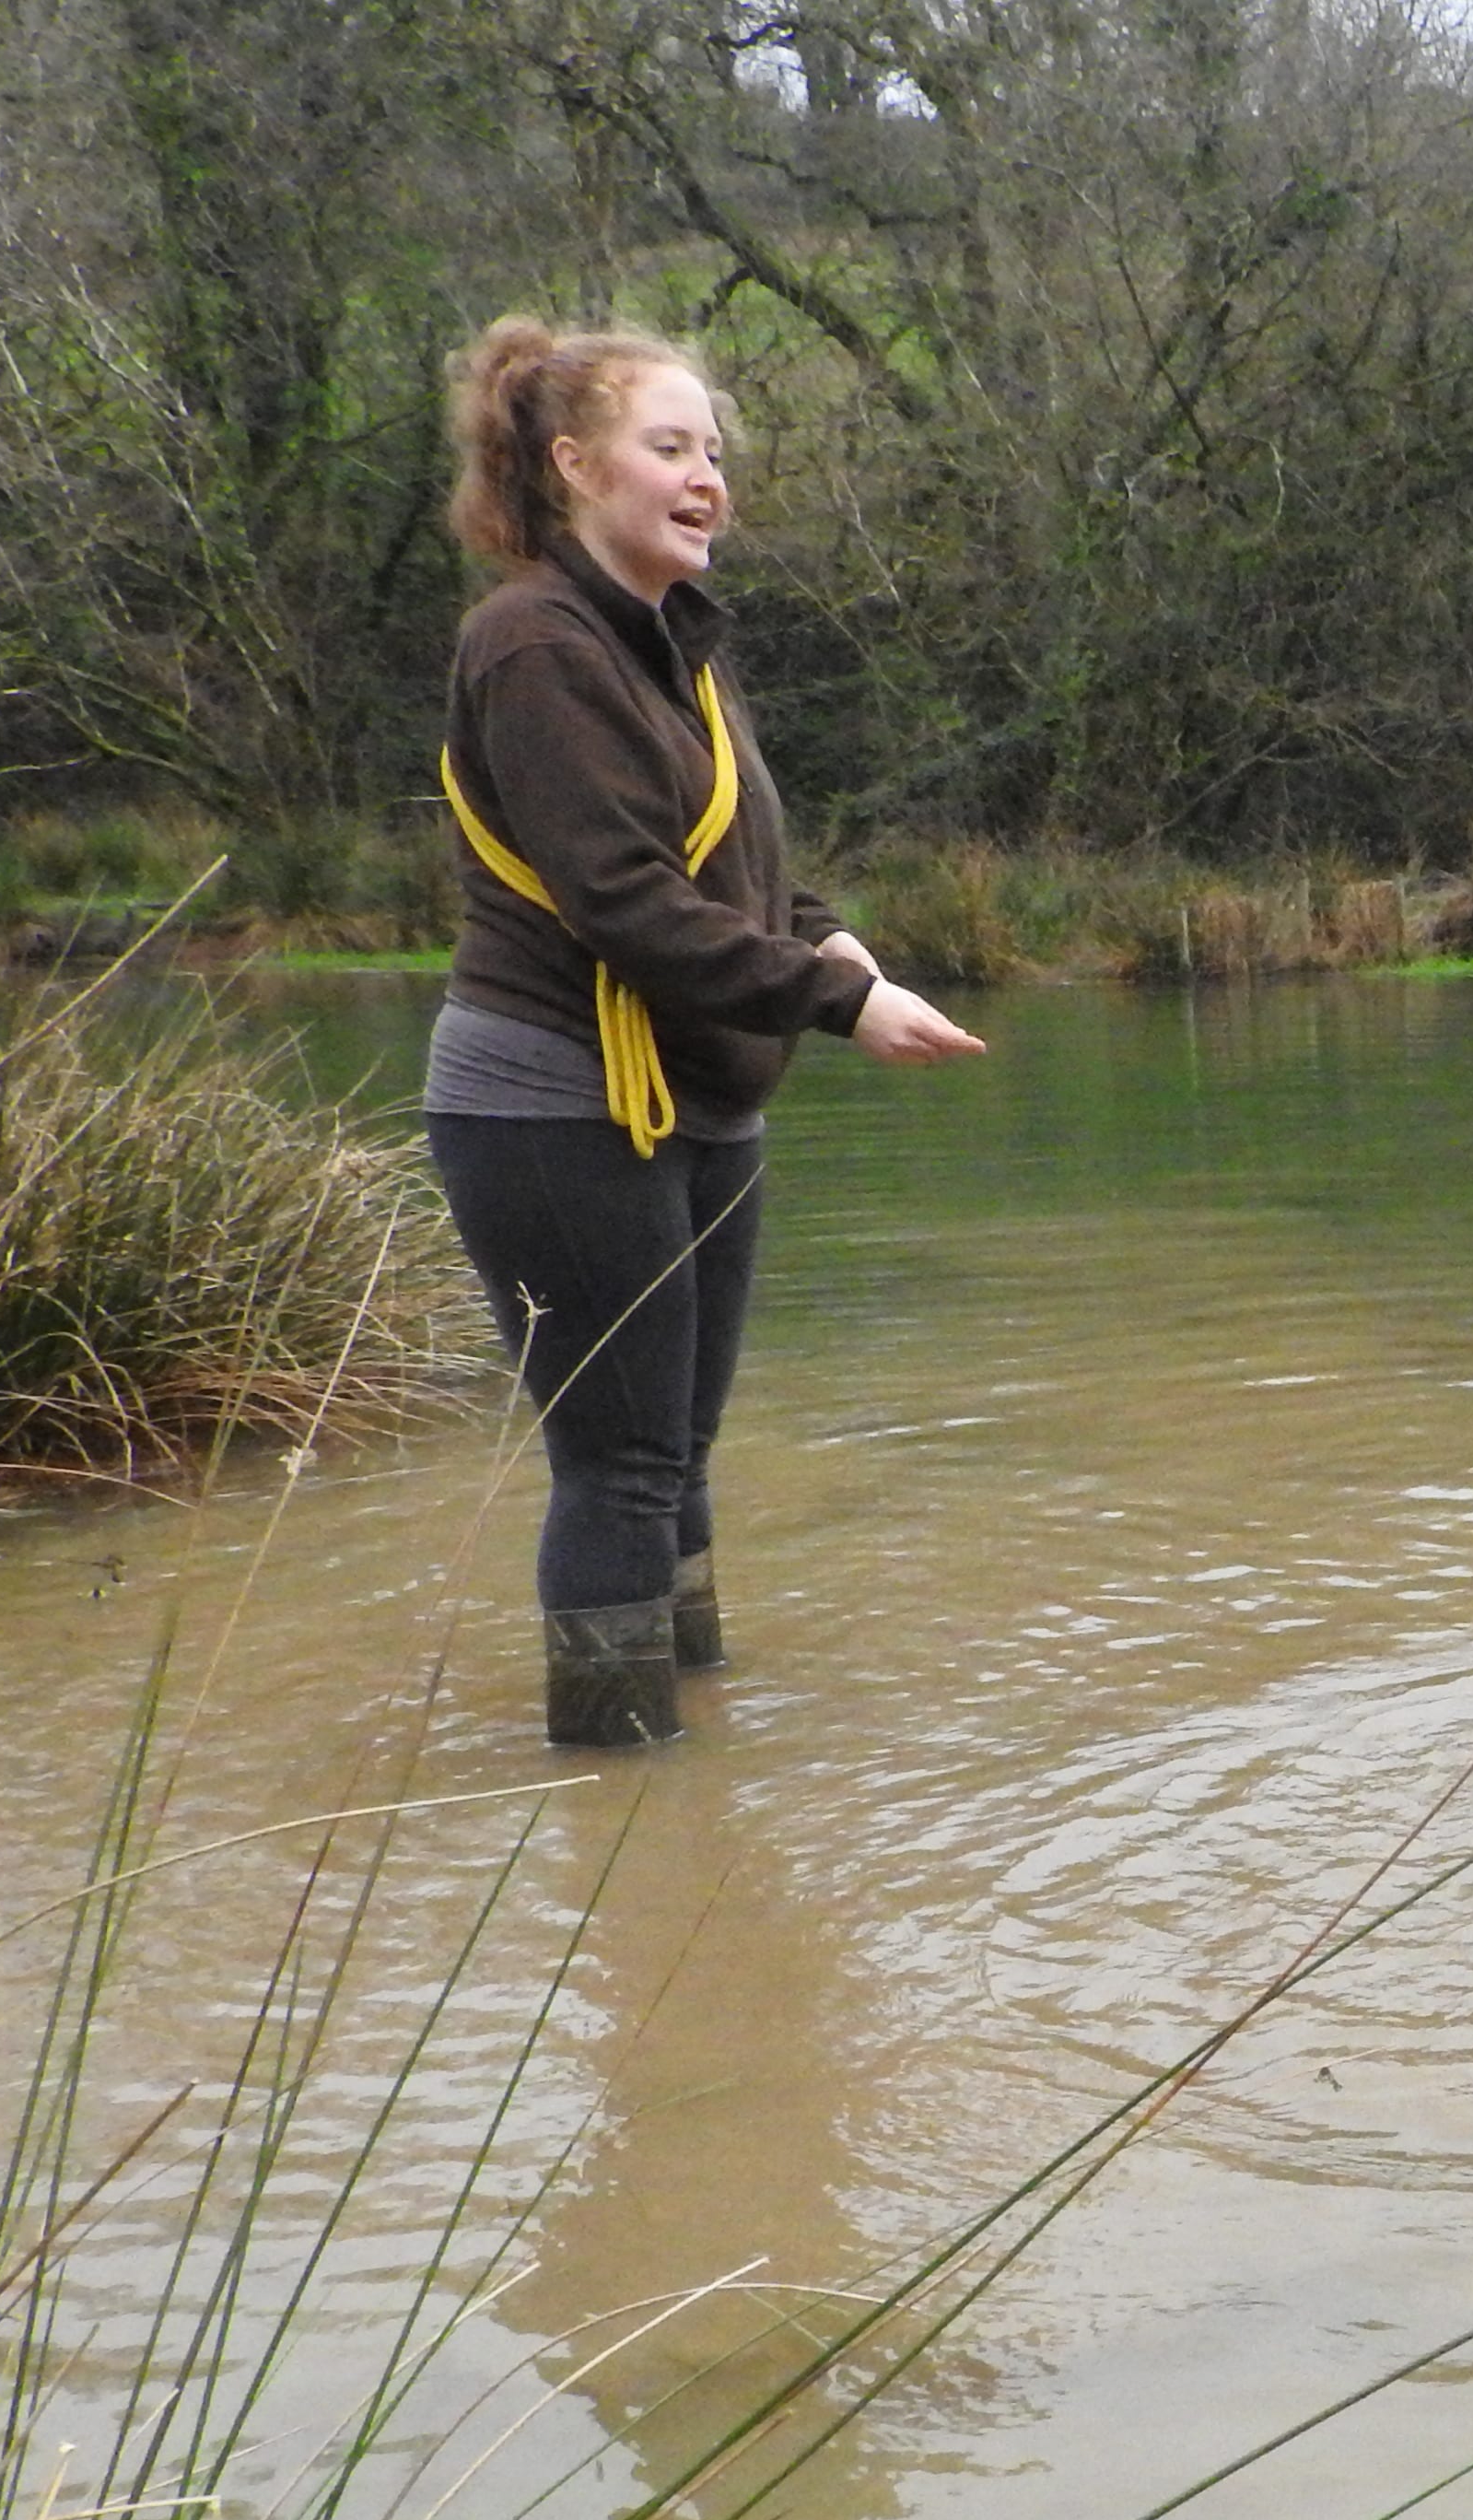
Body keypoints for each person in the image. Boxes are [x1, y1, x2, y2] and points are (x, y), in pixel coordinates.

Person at [427, 318, 981, 1747]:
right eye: (670, 447)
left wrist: (823, 929)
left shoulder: (678, 644)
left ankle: (689, 1777)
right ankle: (621, 1785)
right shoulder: (533, 642)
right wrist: (843, 998)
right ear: (572, 465)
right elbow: (622, 898)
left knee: (674, 1456)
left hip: (700, 1100)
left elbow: (735, 858)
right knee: (617, 1463)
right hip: (557, 1100)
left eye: (714, 453)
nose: (707, 478)